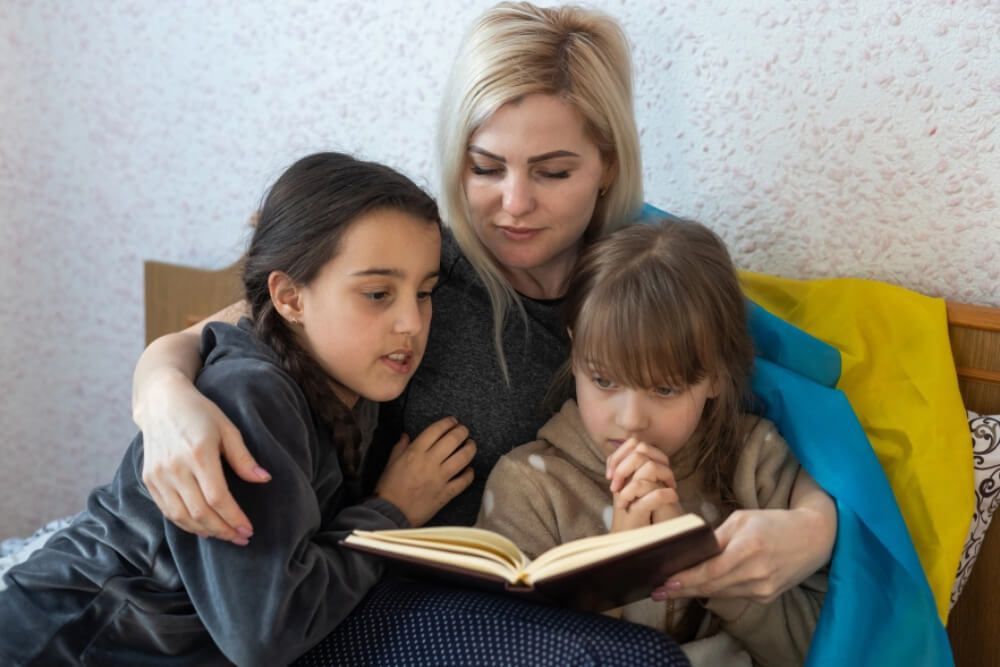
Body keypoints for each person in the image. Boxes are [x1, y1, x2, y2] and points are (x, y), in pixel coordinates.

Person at [129, 3, 836, 610]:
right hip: (372, 587)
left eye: (554, 172)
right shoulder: (419, 266)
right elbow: (237, 329)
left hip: (558, 600)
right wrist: (160, 396)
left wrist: (813, 528)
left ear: (608, 165)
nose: (515, 204)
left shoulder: (641, 283)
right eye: (485, 167)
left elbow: (782, 419)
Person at [0, 152, 476, 666]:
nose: (411, 321)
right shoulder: (253, 395)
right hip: (60, 643)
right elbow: (264, 633)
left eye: (425, 293)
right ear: (290, 298)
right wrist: (392, 513)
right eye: (378, 293)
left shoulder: (353, 379)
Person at [476, 220, 830, 666]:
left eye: (664, 390)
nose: (629, 421)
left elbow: (820, 649)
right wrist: (619, 565)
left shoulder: (755, 458)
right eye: (603, 380)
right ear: (574, 349)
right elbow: (505, 651)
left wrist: (713, 577)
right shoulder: (529, 486)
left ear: (717, 377)